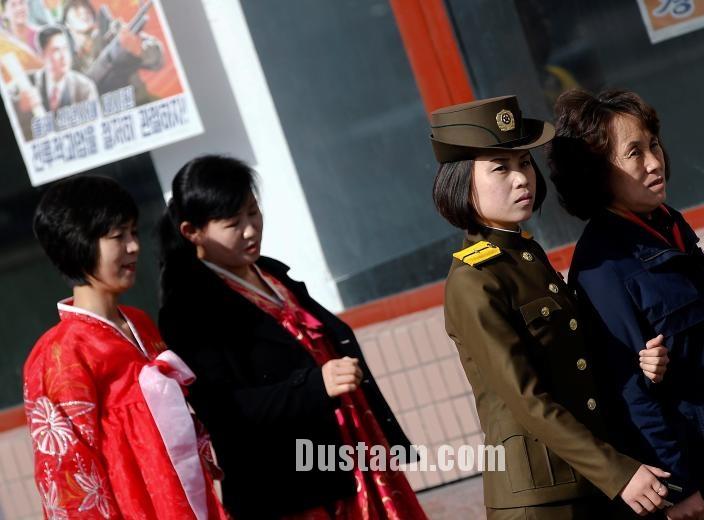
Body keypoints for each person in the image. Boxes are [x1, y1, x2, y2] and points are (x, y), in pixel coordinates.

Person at [429, 95, 675, 519]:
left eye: (524, 163)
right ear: (460, 183)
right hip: (540, 498)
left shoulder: (525, 254)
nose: (521, 178)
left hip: (588, 479)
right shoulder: (473, 281)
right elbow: (528, 400)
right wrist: (617, 472)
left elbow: (573, 361)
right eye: (500, 169)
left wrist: (639, 363)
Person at [549, 88, 704, 519]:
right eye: (634, 153)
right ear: (596, 172)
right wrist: (680, 489)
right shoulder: (602, 266)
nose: (654, 162)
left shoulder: (667, 221)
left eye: (653, 144)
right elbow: (631, 392)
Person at [157, 155, 427, 519]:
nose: (251, 230)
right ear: (192, 232)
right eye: (233, 223)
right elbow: (223, 411)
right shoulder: (189, 308)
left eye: (253, 213)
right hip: (293, 484)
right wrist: (314, 386)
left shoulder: (271, 274)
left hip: (349, 451)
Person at [24, 175, 228, 519]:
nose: (134, 246)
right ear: (78, 244)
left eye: (133, 232)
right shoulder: (59, 356)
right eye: (118, 236)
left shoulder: (141, 324)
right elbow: (69, 476)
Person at [63, 0, 164, 103]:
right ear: (66, 23)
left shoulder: (114, 29)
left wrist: (140, 51)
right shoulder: (68, 65)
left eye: (85, 6)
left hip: (140, 102)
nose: (83, 10)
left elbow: (157, 58)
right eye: (75, 8)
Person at [14, 24, 98, 139]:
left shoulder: (84, 87)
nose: (64, 56)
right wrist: (21, 108)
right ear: (42, 55)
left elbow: (92, 130)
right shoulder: (27, 82)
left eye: (65, 49)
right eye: (56, 50)